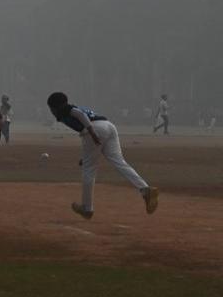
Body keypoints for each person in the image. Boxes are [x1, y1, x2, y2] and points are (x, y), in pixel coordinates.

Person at [47, 91, 158, 219]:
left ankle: (87, 208)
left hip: (94, 130)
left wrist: (92, 133)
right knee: (119, 162)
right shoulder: (70, 108)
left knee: (89, 169)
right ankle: (145, 189)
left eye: (51, 108)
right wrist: (87, 155)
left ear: (56, 106)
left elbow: (80, 115)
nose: (51, 111)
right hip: (108, 126)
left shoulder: (67, 109)